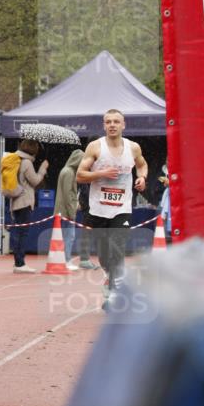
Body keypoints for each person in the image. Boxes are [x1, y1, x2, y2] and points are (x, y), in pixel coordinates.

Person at [76, 109, 148, 306]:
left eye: (116, 121)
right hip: (98, 208)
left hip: (122, 207)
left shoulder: (133, 148)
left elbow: (142, 165)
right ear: (104, 125)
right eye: (108, 122)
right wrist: (101, 173)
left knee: (117, 247)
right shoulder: (95, 147)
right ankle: (110, 274)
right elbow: (80, 175)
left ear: (123, 125)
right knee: (104, 253)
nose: (112, 125)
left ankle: (116, 292)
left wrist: (142, 177)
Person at [10, 140, 48, 273]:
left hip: (15, 200)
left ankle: (18, 262)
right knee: (23, 233)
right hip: (24, 201)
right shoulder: (26, 162)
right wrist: (42, 170)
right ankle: (20, 263)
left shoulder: (17, 159)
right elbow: (35, 181)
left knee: (18, 232)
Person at [54, 149, 84, 271]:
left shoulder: (66, 170)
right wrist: (73, 211)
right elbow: (68, 194)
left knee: (65, 236)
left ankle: (64, 259)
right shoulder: (69, 173)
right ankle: (66, 260)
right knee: (69, 236)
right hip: (66, 211)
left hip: (63, 210)